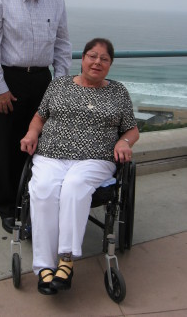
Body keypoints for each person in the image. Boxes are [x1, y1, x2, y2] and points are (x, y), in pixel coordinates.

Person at [20, 37, 139, 295]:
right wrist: (31, 134)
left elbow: (132, 129)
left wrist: (124, 142)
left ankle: (65, 259)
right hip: (51, 154)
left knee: (74, 187)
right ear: (82, 59)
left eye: (104, 59)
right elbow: (39, 118)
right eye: (92, 56)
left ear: (110, 65)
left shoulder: (118, 92)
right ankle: (43, 267)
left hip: (95, 159)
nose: (97, 62)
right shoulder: (59, 85)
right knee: (43, 189)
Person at [0, 0, 72, 233]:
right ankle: (8, 208)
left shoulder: (55, 0)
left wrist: (60, 86)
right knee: (8, 147)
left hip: (43, 81)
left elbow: (63, 45)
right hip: (10, 81)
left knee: (42, 145)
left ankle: (35, 202)